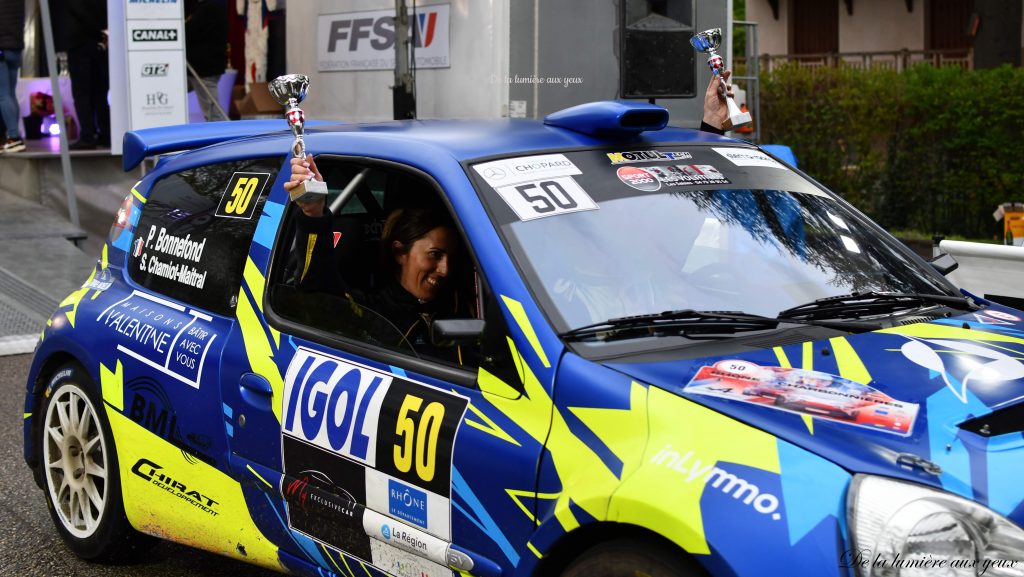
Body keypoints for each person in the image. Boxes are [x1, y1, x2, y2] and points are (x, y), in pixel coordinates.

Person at [284, 158, 471, 360]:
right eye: (435, 255)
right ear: (400, 253)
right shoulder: (374, 312)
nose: (445, 269)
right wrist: (313, 214)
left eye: (451, 258)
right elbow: (318, 291)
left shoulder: (465, 304)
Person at [67, 0, 110, 149]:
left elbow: (79, 12)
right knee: (99, 92)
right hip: (99, 43)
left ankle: (88, 135)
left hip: (80, 44)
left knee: (82, 93)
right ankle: (106, 134)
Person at [186, 0, 228, 121]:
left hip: (204, 69)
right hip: (201, 68)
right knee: (211, 109)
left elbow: (190, 31)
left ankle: (222, 135)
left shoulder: (210, 7)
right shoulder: (206, 6)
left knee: (213, 113)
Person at [0, 0, 26, 153]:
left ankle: (14, 137)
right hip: (15, 47)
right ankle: (15, 136)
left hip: (1, 47)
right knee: (10, 94)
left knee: (3, 95)